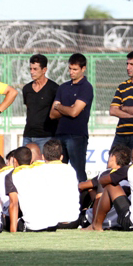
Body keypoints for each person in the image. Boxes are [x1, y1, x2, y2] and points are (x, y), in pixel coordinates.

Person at [6, 139, 80, 232]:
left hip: (52, 221)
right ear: (61, 157)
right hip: (73, 221)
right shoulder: (70, 169)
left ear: (43, 156)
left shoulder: (38, 170)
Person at [50, 53, 94, 182]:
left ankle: (84, 201)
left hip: (77, 135)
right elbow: (52, 114)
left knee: (78, 172)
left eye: (75, 69)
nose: (71, 72)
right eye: (70, 69)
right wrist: (68, 108)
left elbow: (74, 112)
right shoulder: (63, 87)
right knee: (58, 172)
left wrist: (60, 107)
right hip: (60, 134)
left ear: (83, 69)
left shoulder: (86, 87)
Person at [78, 144, 131, 229]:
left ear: (112, 157)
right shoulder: (130, 173)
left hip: (95, 219)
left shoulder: (106, 174)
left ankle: (94, 223)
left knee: (90, 189)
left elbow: (81, 186)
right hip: (120, 221)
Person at [22, 54, 59, 151]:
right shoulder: (27, 89)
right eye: (30, 69)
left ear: (44, 70)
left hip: (46, 136)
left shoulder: (54, 88)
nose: (32, 72)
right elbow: (29, 109)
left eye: (35, 69)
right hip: (28, 136)